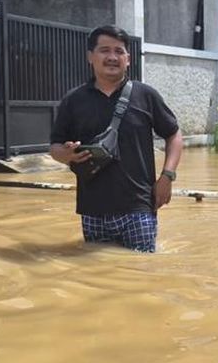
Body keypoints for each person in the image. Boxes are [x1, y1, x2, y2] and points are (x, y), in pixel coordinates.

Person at [49, 25, 183, 253]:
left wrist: (167, 177)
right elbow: (55, 146)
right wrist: (67, 154)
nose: (112, 57)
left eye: (119, 51)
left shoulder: (146, 96)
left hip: (138, 208)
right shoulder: (74, 100)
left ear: (128, 59)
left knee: (141, 272)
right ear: (90, 56)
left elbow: (174, 134)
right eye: (104, 50)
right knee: (99, 278)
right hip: (92, 210)